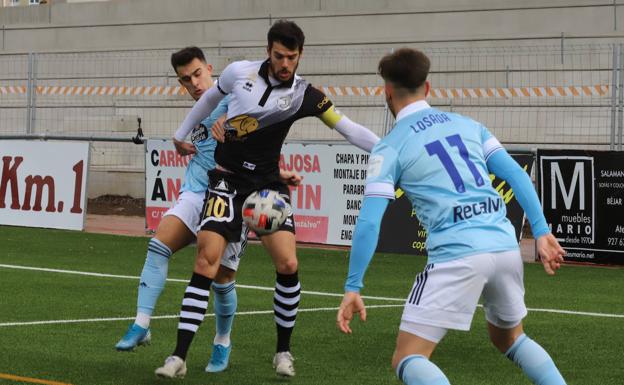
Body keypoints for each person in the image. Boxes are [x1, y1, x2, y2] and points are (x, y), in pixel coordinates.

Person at [155, 20, 380, 378]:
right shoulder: (238, 73)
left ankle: (283, 353)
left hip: (266, 186)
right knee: (205, 262)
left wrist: (389, 149)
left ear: (300, 55)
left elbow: (346, 127)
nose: (285, 63)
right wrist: (180, 134)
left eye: (291, 57)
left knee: (288, 265)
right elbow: (211, 98)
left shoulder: (306, 95)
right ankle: (178, 357)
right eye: (279, 56)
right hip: (226, 181)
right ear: (268, 51)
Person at [336, 48, 567, 385]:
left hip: (457, 255)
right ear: (427, 88)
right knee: (510, 339)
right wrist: (542, 231)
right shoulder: (468, 125)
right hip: (504, 247)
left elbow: (370, 221)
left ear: (386, 92)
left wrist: (353, 285)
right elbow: (517, 175)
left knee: (408, 357)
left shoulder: (389, 147)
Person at [115, 46, 302, 374]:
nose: (194, 83)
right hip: (196, 192)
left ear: (211, 69)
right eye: (186, 79)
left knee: (223, 277)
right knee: (159, 245)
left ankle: (222, 339)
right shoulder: (200, 110)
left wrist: (278, 173)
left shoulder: (238, 99)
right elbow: (194, 135)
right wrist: (180, 138)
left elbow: (261, 147)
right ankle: (142, 324)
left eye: (198, 74)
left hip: (233, 193)